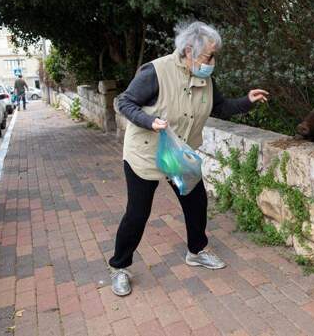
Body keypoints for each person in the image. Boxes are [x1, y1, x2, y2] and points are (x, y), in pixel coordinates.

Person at [109, 21, 269, 296]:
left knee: (196, 202)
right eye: (208, 56)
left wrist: (246, 101)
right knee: (138, 212)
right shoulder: (155, 72)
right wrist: (148, 121)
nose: (212, 62)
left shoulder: (205, 78)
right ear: (188, 51)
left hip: (178, 153)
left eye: (213, 56)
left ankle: (196, 251)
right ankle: (119, 267)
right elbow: (124, 102)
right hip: (145, 153)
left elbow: (218, 106)